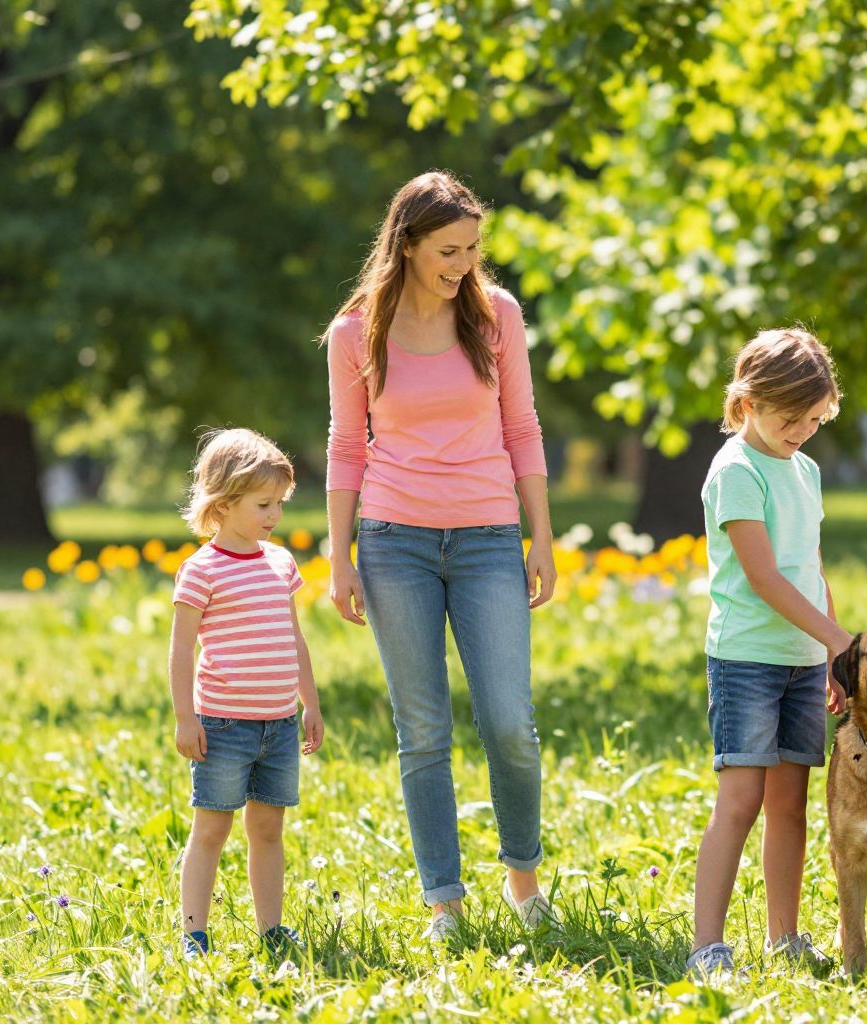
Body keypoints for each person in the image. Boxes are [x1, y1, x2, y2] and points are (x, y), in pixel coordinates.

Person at [324, 171, 556, 940]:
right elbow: (345, 448)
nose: (464, 264)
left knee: (509, 725)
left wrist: (540, 537)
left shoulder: (496, 318)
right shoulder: (356, 332)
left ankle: (525, 883)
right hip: (394, 542)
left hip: (489, 536)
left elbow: (522, 428)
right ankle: (445, 904)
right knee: (422, 729)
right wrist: (340, 556)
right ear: (408, 243)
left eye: (473, 249)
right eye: (448, 250)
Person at [687, 326, 851, 979]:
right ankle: (708, 944)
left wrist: (831, 646)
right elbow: (765, 578)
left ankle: (784, 935)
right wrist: (838, 639)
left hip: (805, 662)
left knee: (791, 804)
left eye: (814, 420)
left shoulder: (805, 468)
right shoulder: (736, 471)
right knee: (741, 801)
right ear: (747, 402)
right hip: (748, 661)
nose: (802, 431)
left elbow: (809, 567)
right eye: (790, 418)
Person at [168, 428, 325, 958]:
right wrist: (185, 718)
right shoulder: (200, 571)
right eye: (263, 504)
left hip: (278, 726)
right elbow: (182, 651)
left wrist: (310, 702)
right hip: (223, 728)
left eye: (279, 503)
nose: (274, 514)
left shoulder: (280, 563)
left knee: (268, 828)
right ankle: (194, 933)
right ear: (224, 501)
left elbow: (294, 638)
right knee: (211, 830)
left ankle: (271, 929)